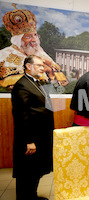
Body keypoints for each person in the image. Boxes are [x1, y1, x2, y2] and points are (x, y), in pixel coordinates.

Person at [11, 55, 54, 200]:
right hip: (31, 138)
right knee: (27, 173)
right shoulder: (22, 85)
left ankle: (32, 196)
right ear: (28, 66)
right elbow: (21, 115)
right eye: (39, 65)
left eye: (43, 65)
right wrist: (29, 141)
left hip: (41, 136)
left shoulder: (37, 82)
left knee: (35, 171)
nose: (43, 68)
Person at [0, 4, 68, 89]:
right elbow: (7, 84)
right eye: (28, 36)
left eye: (35, 35)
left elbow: (63, 82)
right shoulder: (3, 55)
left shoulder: (41, 53)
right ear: (18, 40)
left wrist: (51, 74)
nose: (34, 40)